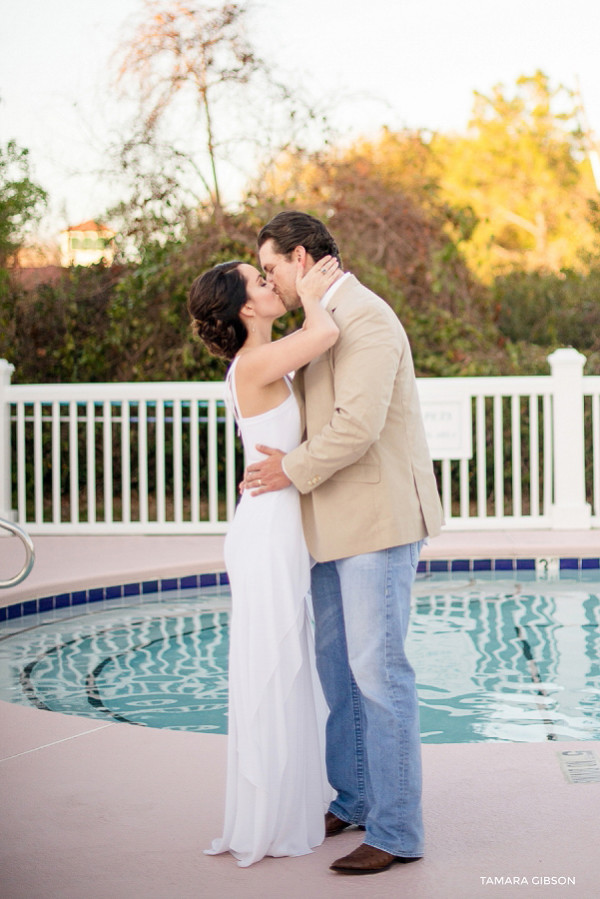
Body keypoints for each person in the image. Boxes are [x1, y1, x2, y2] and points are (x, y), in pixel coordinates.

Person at [244, 210, 444, 876]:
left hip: (377, 522)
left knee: (380, 675)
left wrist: (285, 470)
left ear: (300, 257)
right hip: (327, 523)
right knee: (340, 673)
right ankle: (355, 795)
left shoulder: (368, 317)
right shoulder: (320, 321)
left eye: (271, 265)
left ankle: (397, 827)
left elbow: (356, 425)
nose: (268, 278)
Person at [188, 256, 340, 867]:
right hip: (266, 531)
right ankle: (269, 820)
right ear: (246, 308)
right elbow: (325, 333)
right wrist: (313, 289)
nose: (271, 282)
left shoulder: (260, 360)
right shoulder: (254, 362)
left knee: (286, 662)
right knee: (275, 663)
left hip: (275, 526)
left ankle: (284, 807)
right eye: (260, 280)